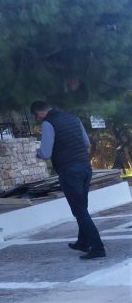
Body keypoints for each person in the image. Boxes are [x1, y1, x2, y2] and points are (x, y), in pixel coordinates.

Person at [31, 101, 106, 259]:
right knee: (82, 208)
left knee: (79, 210)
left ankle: (98, 248)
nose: (38, 119)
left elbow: (45, 153)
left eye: (36, 116)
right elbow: (86, 142)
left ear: (39, 112)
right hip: (85, 167)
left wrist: (38, 154)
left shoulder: (48, 123)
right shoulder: (73, 118)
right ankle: (82, 242)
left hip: (69, 171)